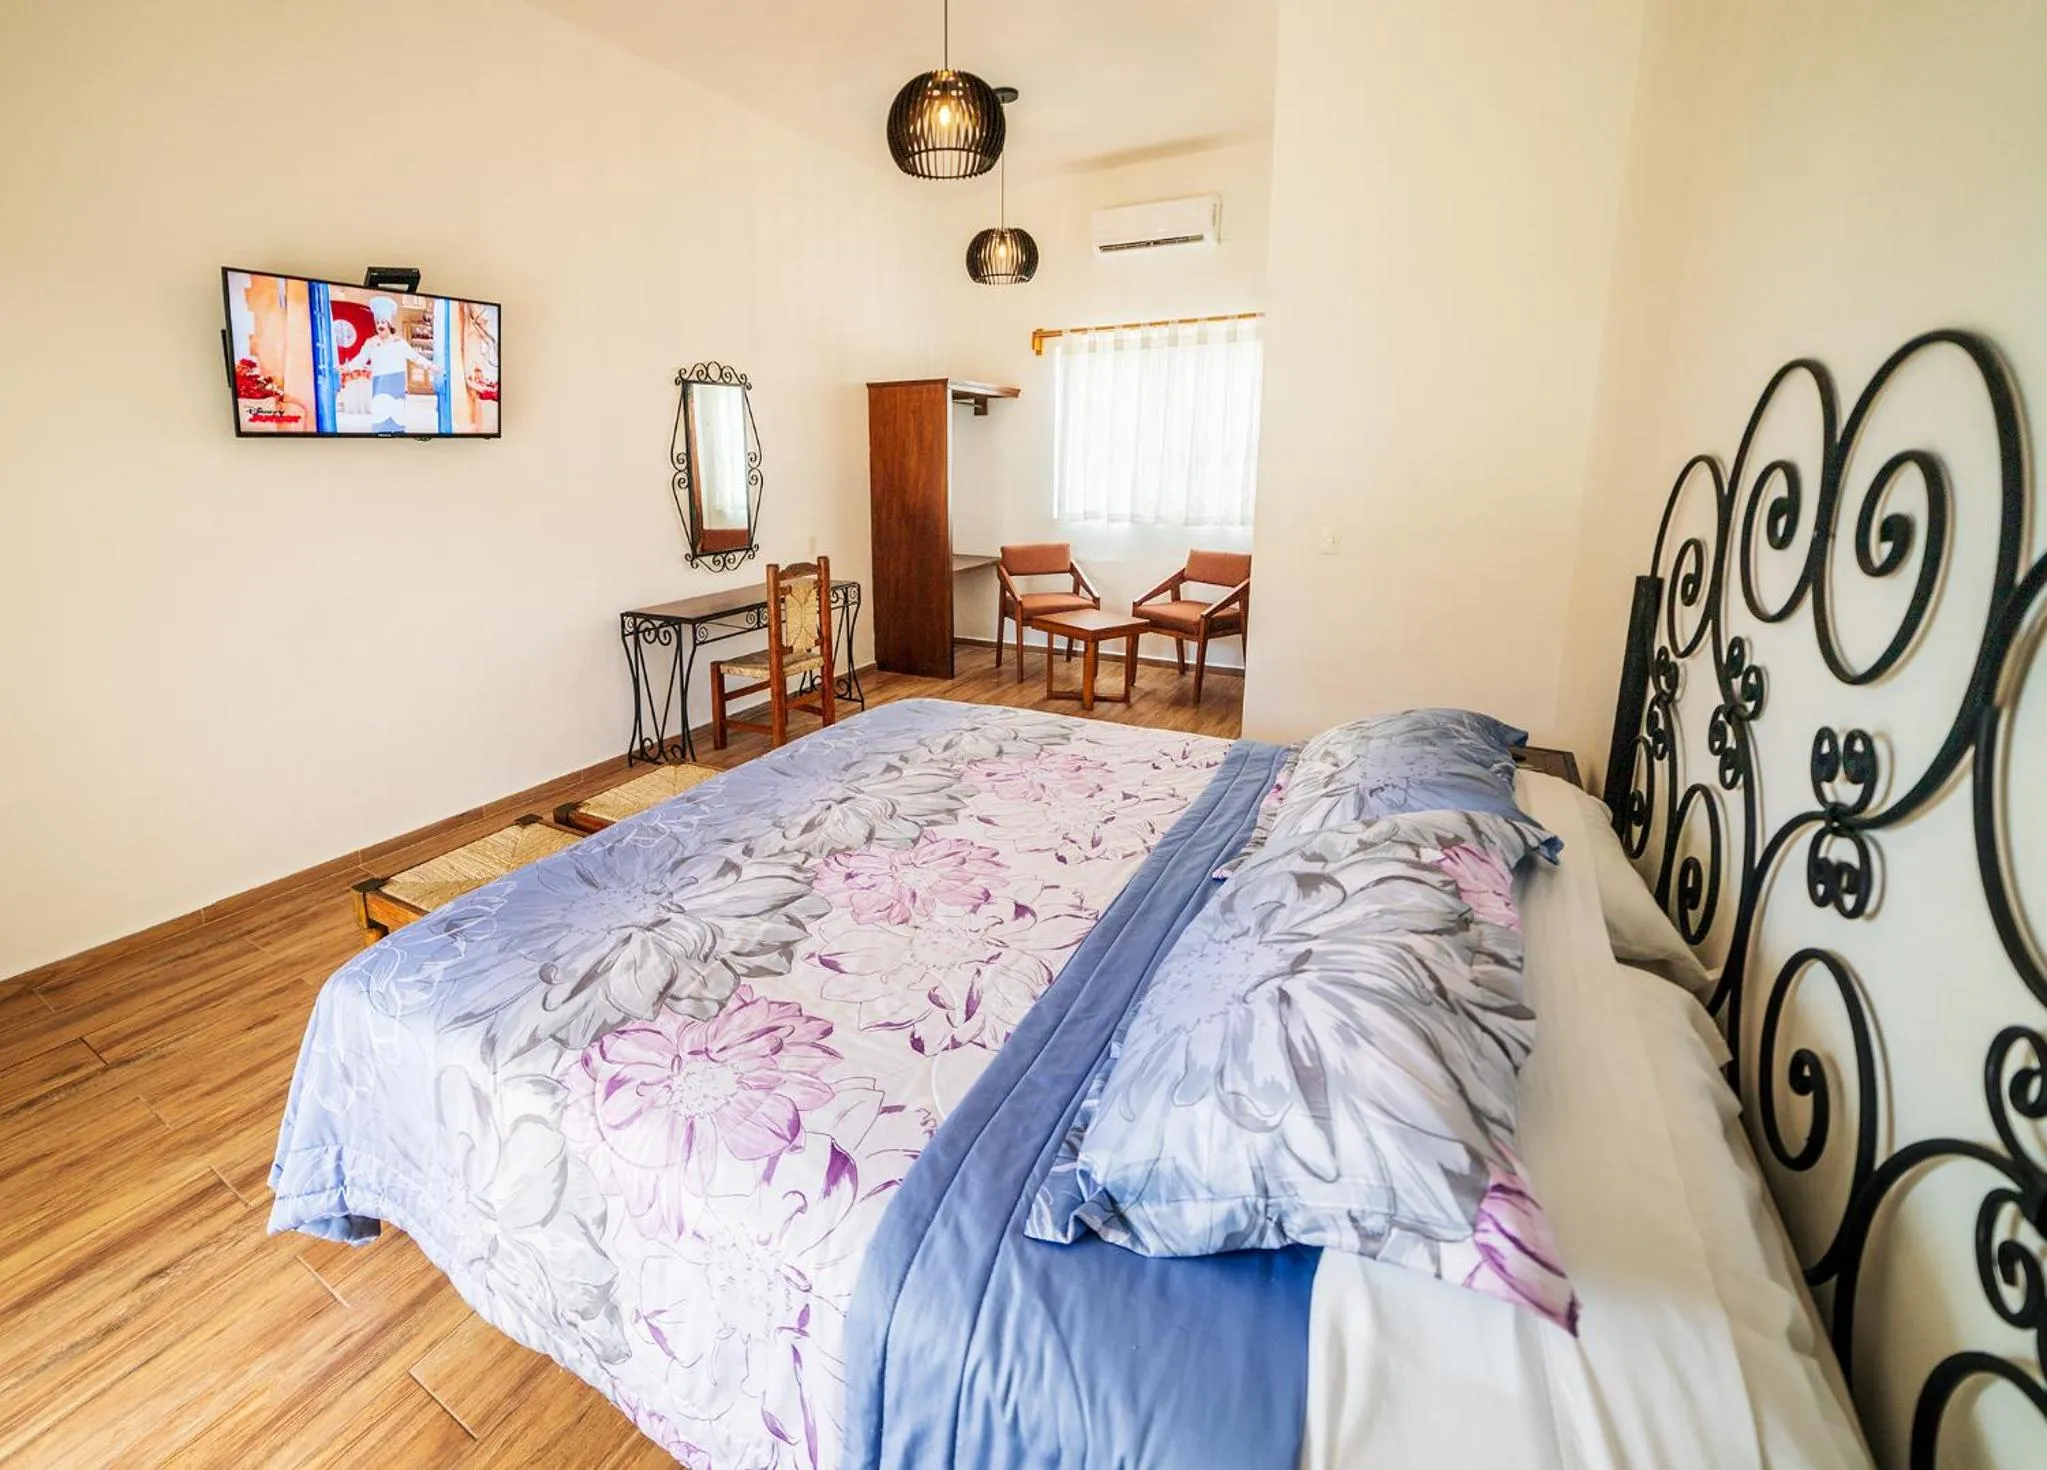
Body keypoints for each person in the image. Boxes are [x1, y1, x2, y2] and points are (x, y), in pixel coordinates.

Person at [353, 295, 438, 433]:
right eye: (378, 322)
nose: (380, 325)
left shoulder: (400, 343)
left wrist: (431, 366)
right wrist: (345, 368)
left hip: (396, 387)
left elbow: (416, 358)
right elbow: (359, 361)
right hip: (379, 389)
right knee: (380, 423)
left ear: (389, 325)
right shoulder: (371, 343)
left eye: (383, 322)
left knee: (397, 423)